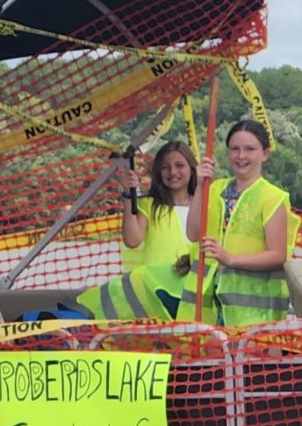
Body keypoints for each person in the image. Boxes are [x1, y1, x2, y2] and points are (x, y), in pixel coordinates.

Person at [196, 120, 292, 325]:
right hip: (210, 305)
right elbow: (193, 233)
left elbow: (277, 255)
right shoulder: (213, 189)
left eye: (249, 149)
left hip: (254, 313)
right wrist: (198, 186)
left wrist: (230, 258)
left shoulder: (273, 197)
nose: (241, 156)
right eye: (235, 149)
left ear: (264, 154)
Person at [119, 141, 198, 300]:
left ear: (192, 169)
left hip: (193, 290)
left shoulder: (205, 206)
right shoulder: (149, 205)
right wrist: (128, 195)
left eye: (179, 165)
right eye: (165, 167)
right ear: (158, 172)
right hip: (155, 291)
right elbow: (132, 240)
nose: (172, 172)